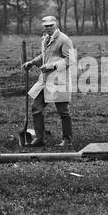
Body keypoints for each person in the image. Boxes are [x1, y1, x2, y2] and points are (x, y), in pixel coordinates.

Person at [22, 16, 75, 147]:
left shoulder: (64, 39)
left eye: (51, 25)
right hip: (45, 80)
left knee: (63, 111)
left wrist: (51, 66)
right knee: (36, 108)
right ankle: (39, 138)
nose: (49, 28)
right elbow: (45, 56)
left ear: (55, 24)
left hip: (59, 80)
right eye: (46, 26)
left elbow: (70, 60)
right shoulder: (45, 39)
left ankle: (67, 140)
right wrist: (32, 62)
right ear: (43, 26)